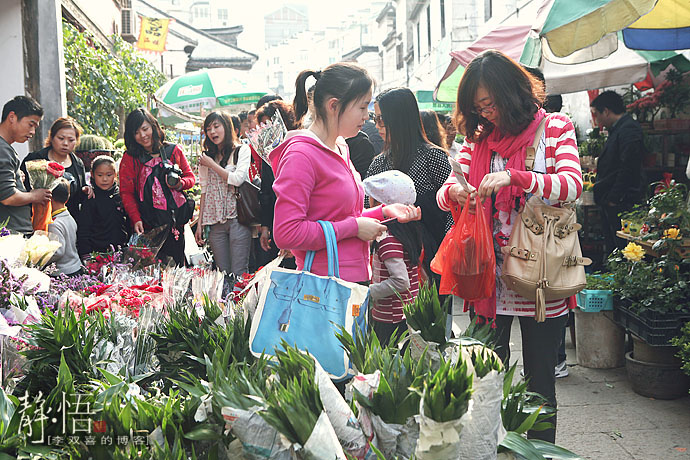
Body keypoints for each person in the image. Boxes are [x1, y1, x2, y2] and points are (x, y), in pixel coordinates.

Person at [436, 50, 582, 443]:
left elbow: (571, 184)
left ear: (512, 92)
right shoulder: (477, 138)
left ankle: (539, 451)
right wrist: (457, 193)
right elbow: (446, 190)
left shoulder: (554, 127)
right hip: (488, 276)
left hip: (540, 276)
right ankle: (494, 448)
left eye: (491, 103)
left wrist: (517, 178)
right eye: (478, 107)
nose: (487, 113)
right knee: (487, 381)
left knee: (539, 383)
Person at [270, 63, 420, 285]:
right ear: (334, 106)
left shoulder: (341, 146)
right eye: (362, 107)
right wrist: (355, 227)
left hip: (351, 283)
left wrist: (383, 211)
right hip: (322, 288)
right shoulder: (301, 155)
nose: (367, 116)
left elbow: (344, 216)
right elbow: (287, 233)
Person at [367, 87, 452, 276]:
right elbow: (366, 208)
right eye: (376, 118)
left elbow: (453, 208)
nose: (377, 125)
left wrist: (447, 248)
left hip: (430, 261)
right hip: (388, 262)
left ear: (399, 120)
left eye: (382, 119)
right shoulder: (379, 164)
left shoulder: (433, 157)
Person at [119, 108, 195, 266]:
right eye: (136, 132)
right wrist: (136, 218)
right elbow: (126, 193)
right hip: (147, 225)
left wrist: (181, 183)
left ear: (153, 126)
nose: (143, 135)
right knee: (148, 269)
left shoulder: (174, 151)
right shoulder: (130, 158)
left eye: (145, 129)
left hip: (174, 223)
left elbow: (190, 178)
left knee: (176, 268)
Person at [364, 170, 423, 345]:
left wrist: (368, 293)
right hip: (405, 313)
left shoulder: (388, 239)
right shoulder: (410, 231)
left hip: (389, 318)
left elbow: (400, 281)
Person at [194, 111, 252, 276]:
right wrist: (200, 224)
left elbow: (237, 179)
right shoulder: (206, 157)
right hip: (215, 221)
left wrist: (212, 165)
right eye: (209, 128)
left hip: (237, 219)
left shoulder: (241, 150)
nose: (212, 132)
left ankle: (241, 302)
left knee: (239, 273)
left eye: (216, 126)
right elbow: (204, 190)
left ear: (226, 127)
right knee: (222, 274)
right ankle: (224, 302)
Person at [591, 90, 646, 253]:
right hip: (612, 199)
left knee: (622, 247)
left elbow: (629, 167)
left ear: (606, 111)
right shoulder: (618, 128)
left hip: (621, 200)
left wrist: (614, 198)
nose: (597, 119)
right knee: (614, 246)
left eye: (597, 114)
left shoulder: (629, 129)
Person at [255, 100, 300, 266]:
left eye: (268, 123)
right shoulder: (269, 153)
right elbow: (266, 190)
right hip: (276, 221)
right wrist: (266, 227)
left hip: (297, 221)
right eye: (262, 126)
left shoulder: (297, 147)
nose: (265, 129)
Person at [21, 117, 91, 223]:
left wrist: (86, 190)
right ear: (52, 137)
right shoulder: (35, 159)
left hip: (66, 223)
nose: (65, 143)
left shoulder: (78, 164)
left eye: (71, 140)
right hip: (35, 221)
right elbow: (21, 189)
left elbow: (79, 194)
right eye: (61, 138)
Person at [0, 96, 49, 235]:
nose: (33, 132)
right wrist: (35, 195)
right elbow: (8, 197)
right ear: (12, 117)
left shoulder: (6, 148)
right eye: (30, 124)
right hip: (10, 236)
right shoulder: (2, 150)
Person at [77, 155, 129, 257]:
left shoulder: (121, 195)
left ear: (115, 174)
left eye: (109, 175)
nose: (104, 179)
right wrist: (86, 254)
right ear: (92, 174)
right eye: (100, 175)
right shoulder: (91, 197)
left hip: (120, 250)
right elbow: (84, 229)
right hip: (97, 252)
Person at [47, 178, 83, 276]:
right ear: (67, 198)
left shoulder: (54, 223)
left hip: (63, 271)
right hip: (76, 266)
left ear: (49, 198)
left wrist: (40, 259)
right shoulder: (69, 216)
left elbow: (58, 252)